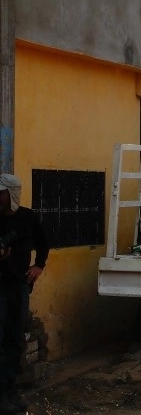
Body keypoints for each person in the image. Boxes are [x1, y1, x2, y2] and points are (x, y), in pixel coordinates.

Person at [0, 174, 48, 414]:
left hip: (19, 287)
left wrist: (38, 265)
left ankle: (9, 391)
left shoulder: (28, 217)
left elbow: (43, 243)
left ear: (12, 194)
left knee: (15, 340)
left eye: (1, 192)